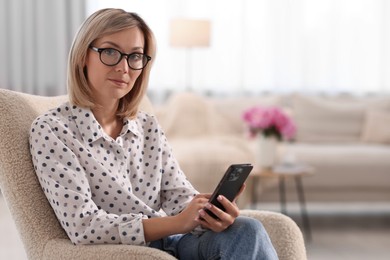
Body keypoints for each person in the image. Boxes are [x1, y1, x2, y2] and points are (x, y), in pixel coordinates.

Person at [29, 8, 278, 259]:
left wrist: (210, 213)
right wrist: (178, 223)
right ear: (84, 55)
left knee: (248, 229)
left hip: (176, 243)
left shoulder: (146, 125)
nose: (124, 67)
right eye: (111, 52)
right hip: (133, 251)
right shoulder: (52, 130)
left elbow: (178, 196)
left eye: (135, 56)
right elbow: (83, 226)